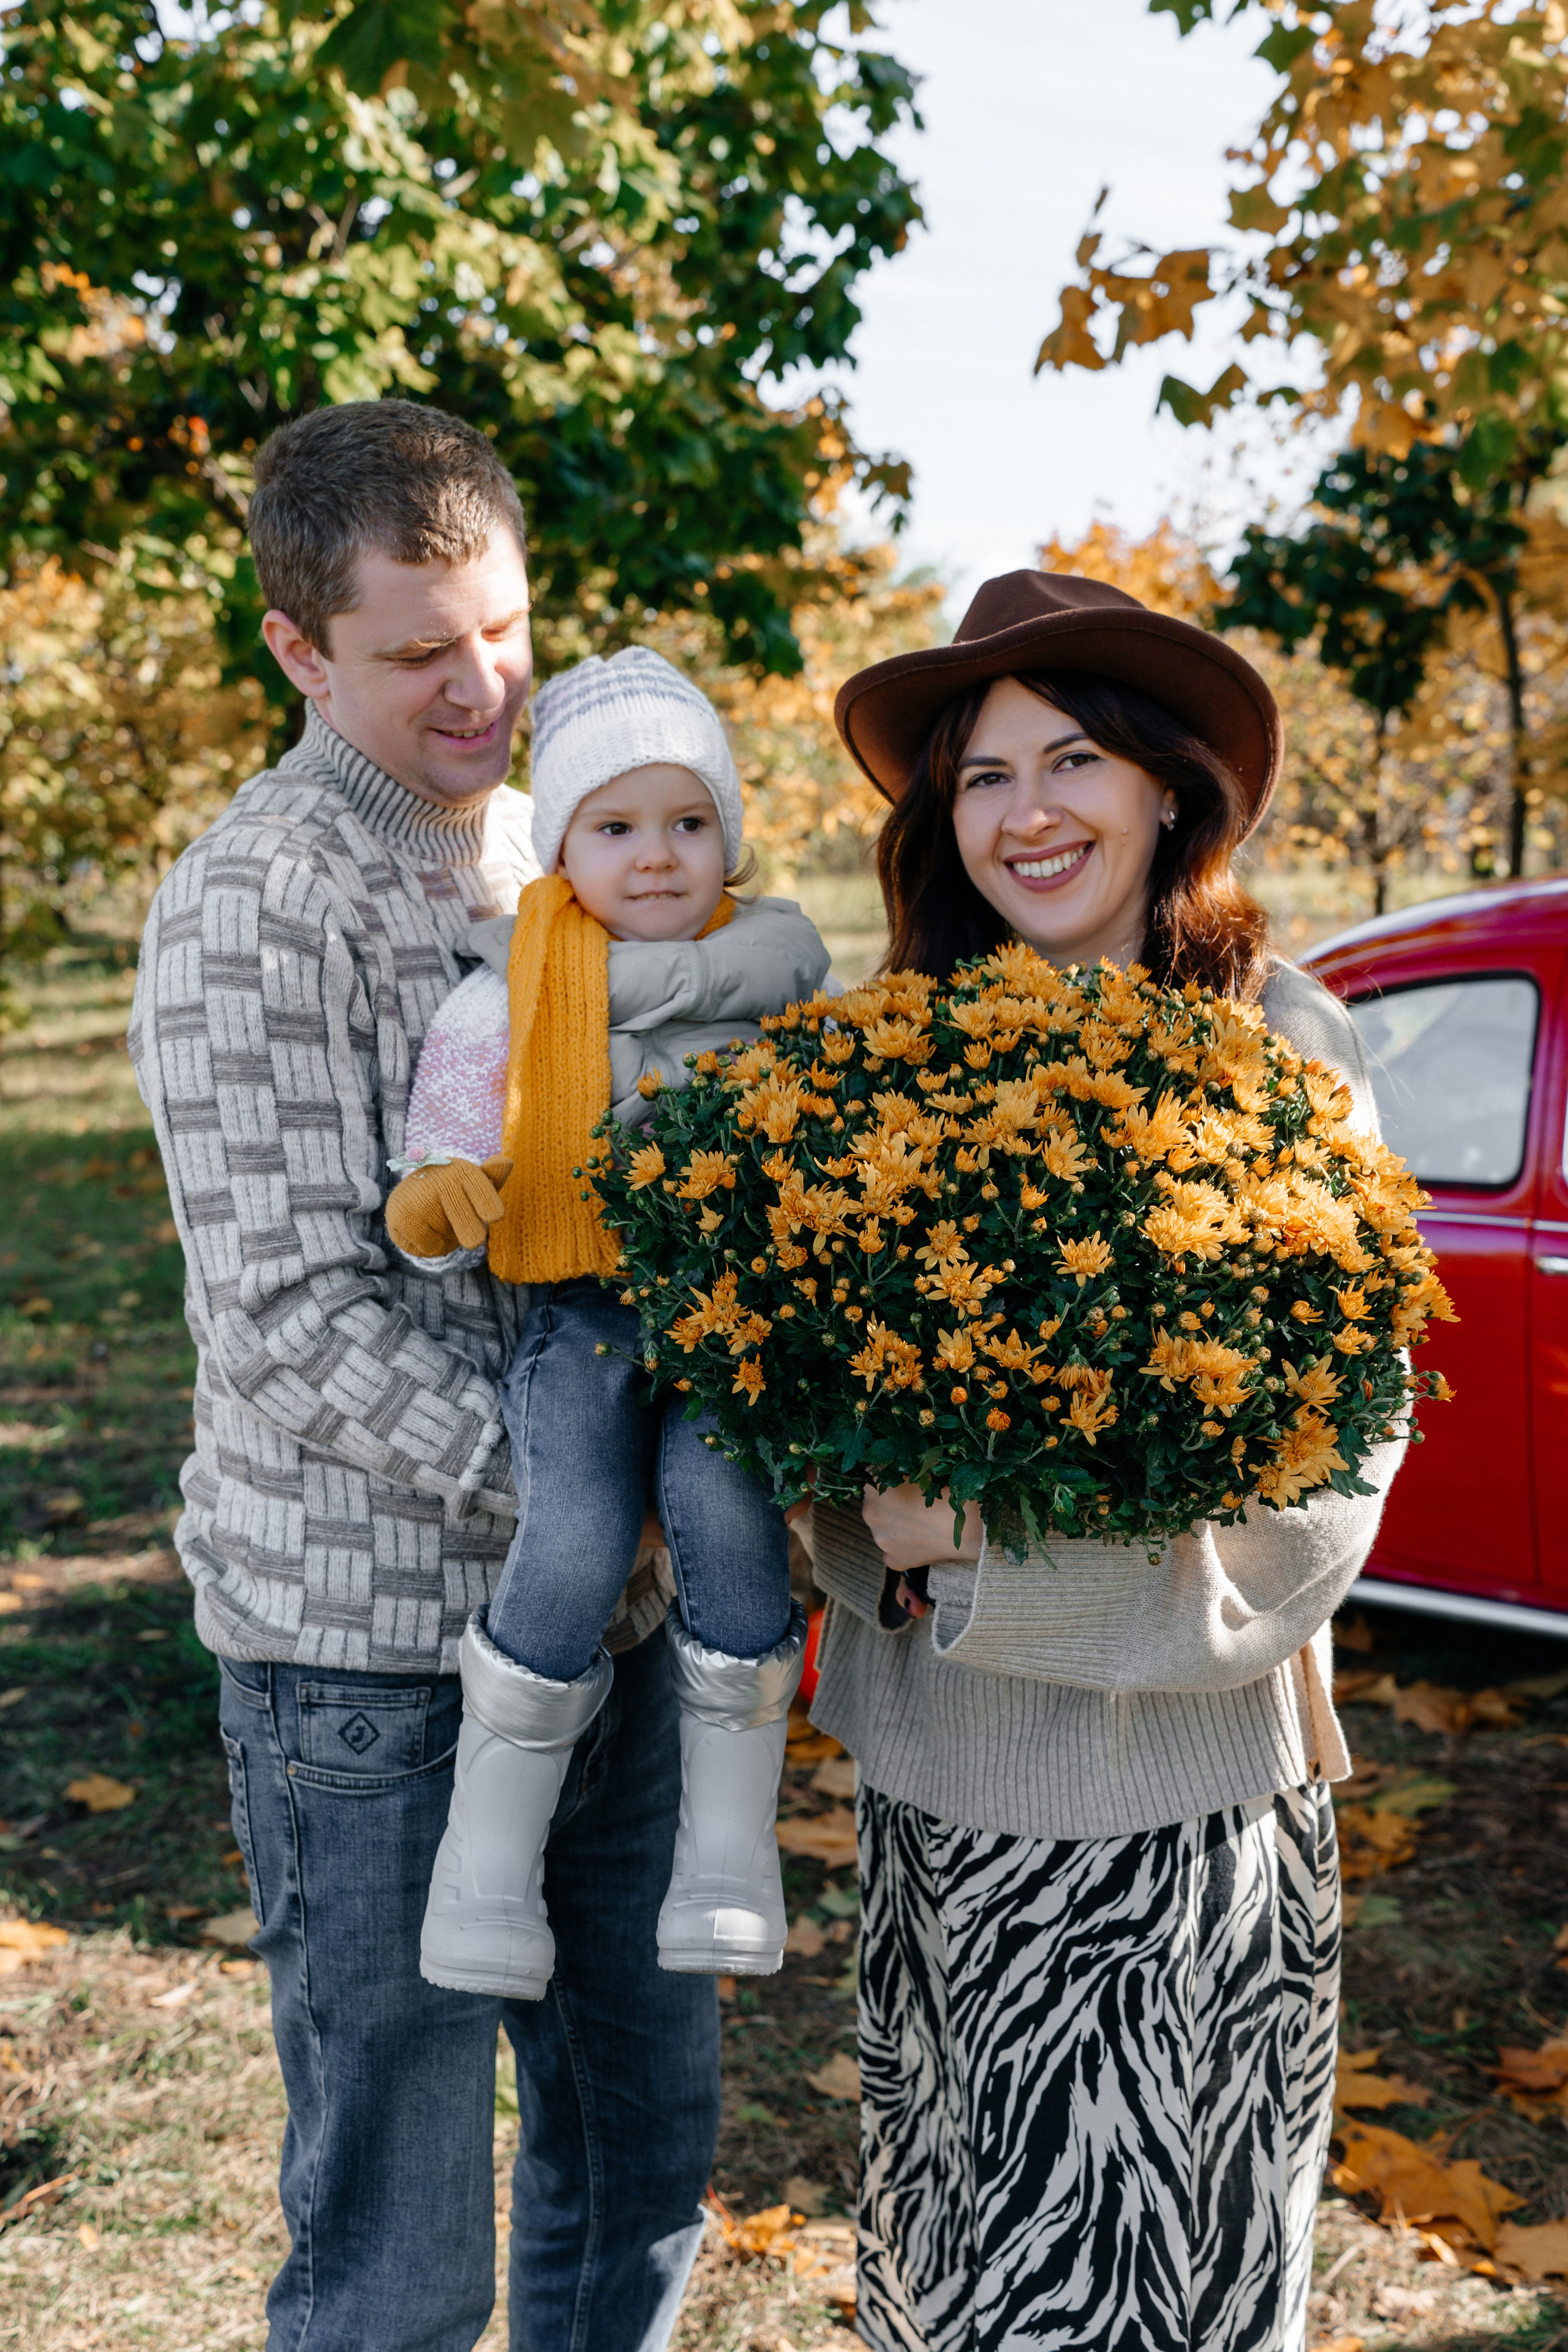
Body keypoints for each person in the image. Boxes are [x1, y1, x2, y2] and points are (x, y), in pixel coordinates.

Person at [128, 401, 720, 2352]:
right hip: (369, 1664)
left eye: (505, 632)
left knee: (641, 2156)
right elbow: (295, 1324)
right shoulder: (252, 902)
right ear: (297, 648)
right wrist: (596, 1495)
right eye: (414, 652)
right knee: (398, 2255)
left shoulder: (560, 846)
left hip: (611, 1641)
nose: (480, 690)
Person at [808, 570, 1405, 2352]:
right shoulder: (874, 1067)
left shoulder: (1281, 1049)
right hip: (943, 1808)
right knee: (963, 2291)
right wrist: (867, 1529)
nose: (1030, 813)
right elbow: (811, 1430)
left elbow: (1330, 1485)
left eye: (1074, 760)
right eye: (983, 778)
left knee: (1183, 2292)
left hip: (1186, 1811)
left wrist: (1001, 1570)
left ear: (1166, 788)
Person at [382, 646, 826, 1996]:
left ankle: (727, 1857)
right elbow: (447, 1132)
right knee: (571, 1528)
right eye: (616, 827)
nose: (655, 858)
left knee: (729, 1509)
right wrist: (444, 1189)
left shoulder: (777, 978)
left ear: (729, 838)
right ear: (562, 844)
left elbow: (829, 1126)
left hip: (730, 1320)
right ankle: (484, 1871)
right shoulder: (512, 988)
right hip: (580, 1313)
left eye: (688, 824)